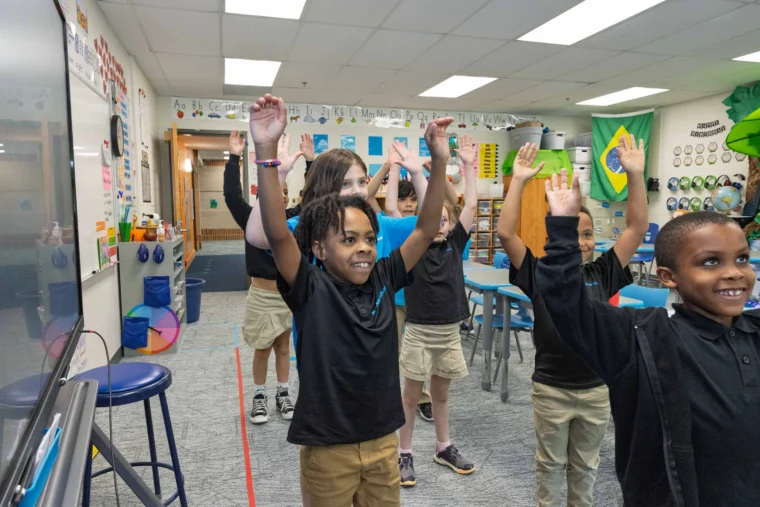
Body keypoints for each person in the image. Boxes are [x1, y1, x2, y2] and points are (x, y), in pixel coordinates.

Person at [251, 93, 453, 507]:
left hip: (383, 442)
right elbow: (274, 231)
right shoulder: (310, 286)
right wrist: (266, 150)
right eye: (347, 240)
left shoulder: (385, 275)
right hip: (328, 449)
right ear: (319, 249)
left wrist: (440, 162)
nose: (362, 248)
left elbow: (427, 225)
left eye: (368, 239)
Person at [535, 167, 760, 506]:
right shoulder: (644, 337)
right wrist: (563, 231)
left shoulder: (753, 333)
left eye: (742, 259)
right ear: (668, 276)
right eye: (711, 262)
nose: (733, 272)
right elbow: (567, 306)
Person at [497, 137, 648, 507]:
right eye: (573, 233)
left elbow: (636, 228)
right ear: (555, 237)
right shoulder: (539, 273)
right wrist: (517, 180)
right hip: (552, 388)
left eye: (587, 234)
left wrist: (636, 175)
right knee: (550, 464)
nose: (582, 242)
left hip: (596, 388)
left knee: (585, 466)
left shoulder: (604, 271)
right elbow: (505, 233)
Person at [396, 133, 478, 487]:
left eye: (446, 219)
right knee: (412, 397)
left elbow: (471, 207)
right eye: (436, 220)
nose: (442, 224)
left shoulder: (456, 244)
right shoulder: (413, 247)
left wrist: (470, 168)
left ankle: (443, 447)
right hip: (418, 330)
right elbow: (419, 215)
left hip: (448, 332)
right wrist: (415, 174)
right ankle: (404, 452)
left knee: (442, 394)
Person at [224, 130, 303, 424]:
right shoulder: (250, 220)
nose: (280, 197)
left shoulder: (293, 220)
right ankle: (259, 395)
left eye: (284, 193)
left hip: (286, 295)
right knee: (262, 348)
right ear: (262, 196)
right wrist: (234, 156)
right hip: (260, 295)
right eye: (275, 192)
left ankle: (282, 393)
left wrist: (307, 162)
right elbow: (232, 195)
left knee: (284, 346)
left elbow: (313, 199)